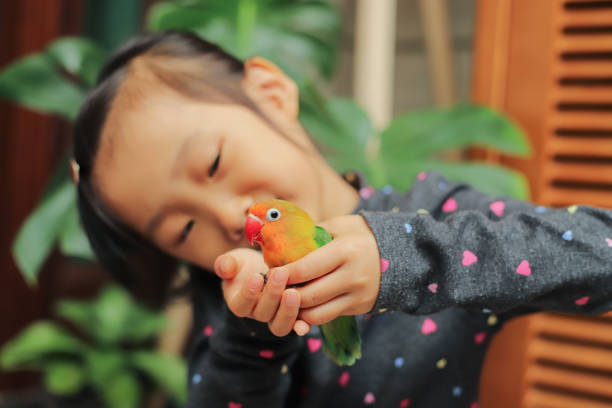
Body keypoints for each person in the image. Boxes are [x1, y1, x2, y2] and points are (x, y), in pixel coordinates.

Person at [72, 31, 612, 407]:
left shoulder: (431, 216)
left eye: (213, 163)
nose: (230, 216)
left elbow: (602, 252)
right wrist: (253, 337)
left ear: (270, 92)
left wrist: (408, 257)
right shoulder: (227, 307)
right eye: (183, 230)